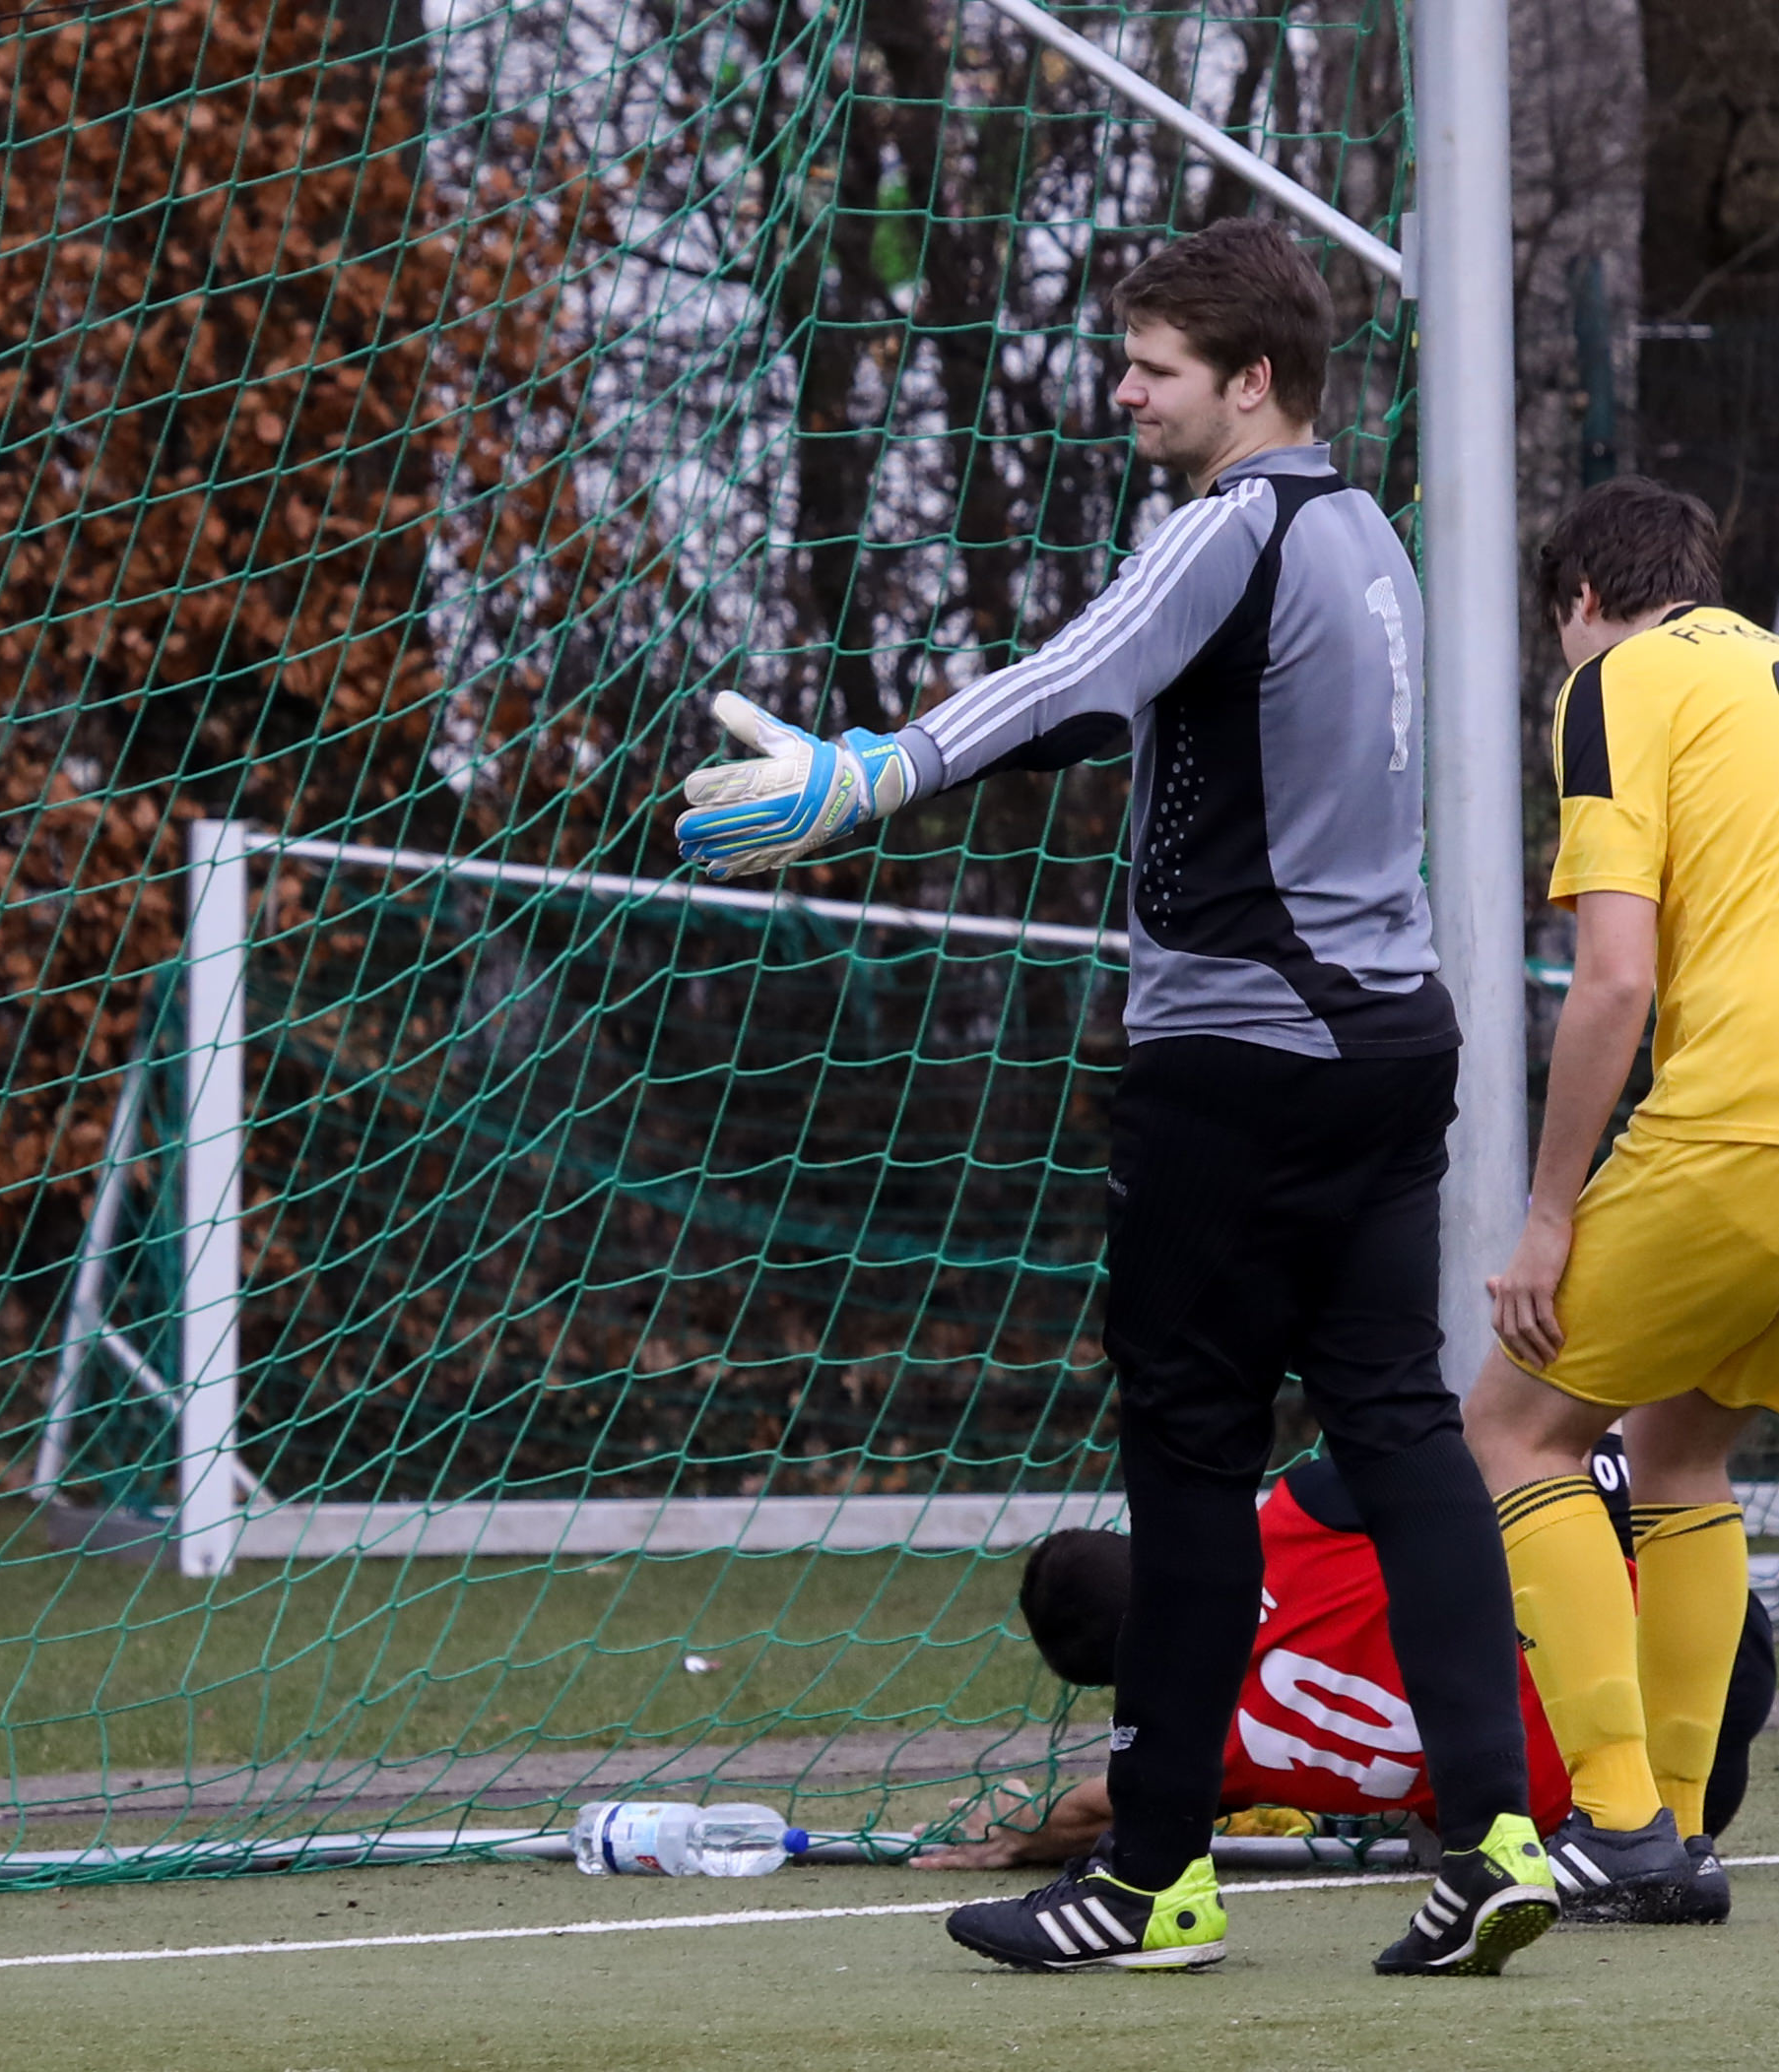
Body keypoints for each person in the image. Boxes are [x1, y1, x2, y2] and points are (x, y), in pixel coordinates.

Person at [670, 217, 1555, 1978]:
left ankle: (1153, 1877)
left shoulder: (1231, 523)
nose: (1125, 394)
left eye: (1154, 367)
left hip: (1238, 1064)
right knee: (1400, 1428)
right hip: (1393, 1047)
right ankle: (1497, 1837)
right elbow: (1138, 705)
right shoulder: (1368, 536)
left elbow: (1079, 665)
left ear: (1254, 380)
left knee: (1192, 1459)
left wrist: (871, 772)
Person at [1462, 477, 1779, 1924]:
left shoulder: (1613, 681)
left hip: (1758, 1117)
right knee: (1677, 1451)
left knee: (1515, 1428)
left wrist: (1549, 1213)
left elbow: (1617, 977)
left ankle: (1616, 1818)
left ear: (1580, 601)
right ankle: (1676, 1835)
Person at [910, 1446, 1777, 1880]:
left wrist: (1017, 1833)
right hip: (1702, 1642)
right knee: (1538, 1458)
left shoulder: (1202, 1752)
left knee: (1448, 1827)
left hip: (1668, 1809)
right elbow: (1464, 1460)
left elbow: (1090, 1811)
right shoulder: (1297, 1518)